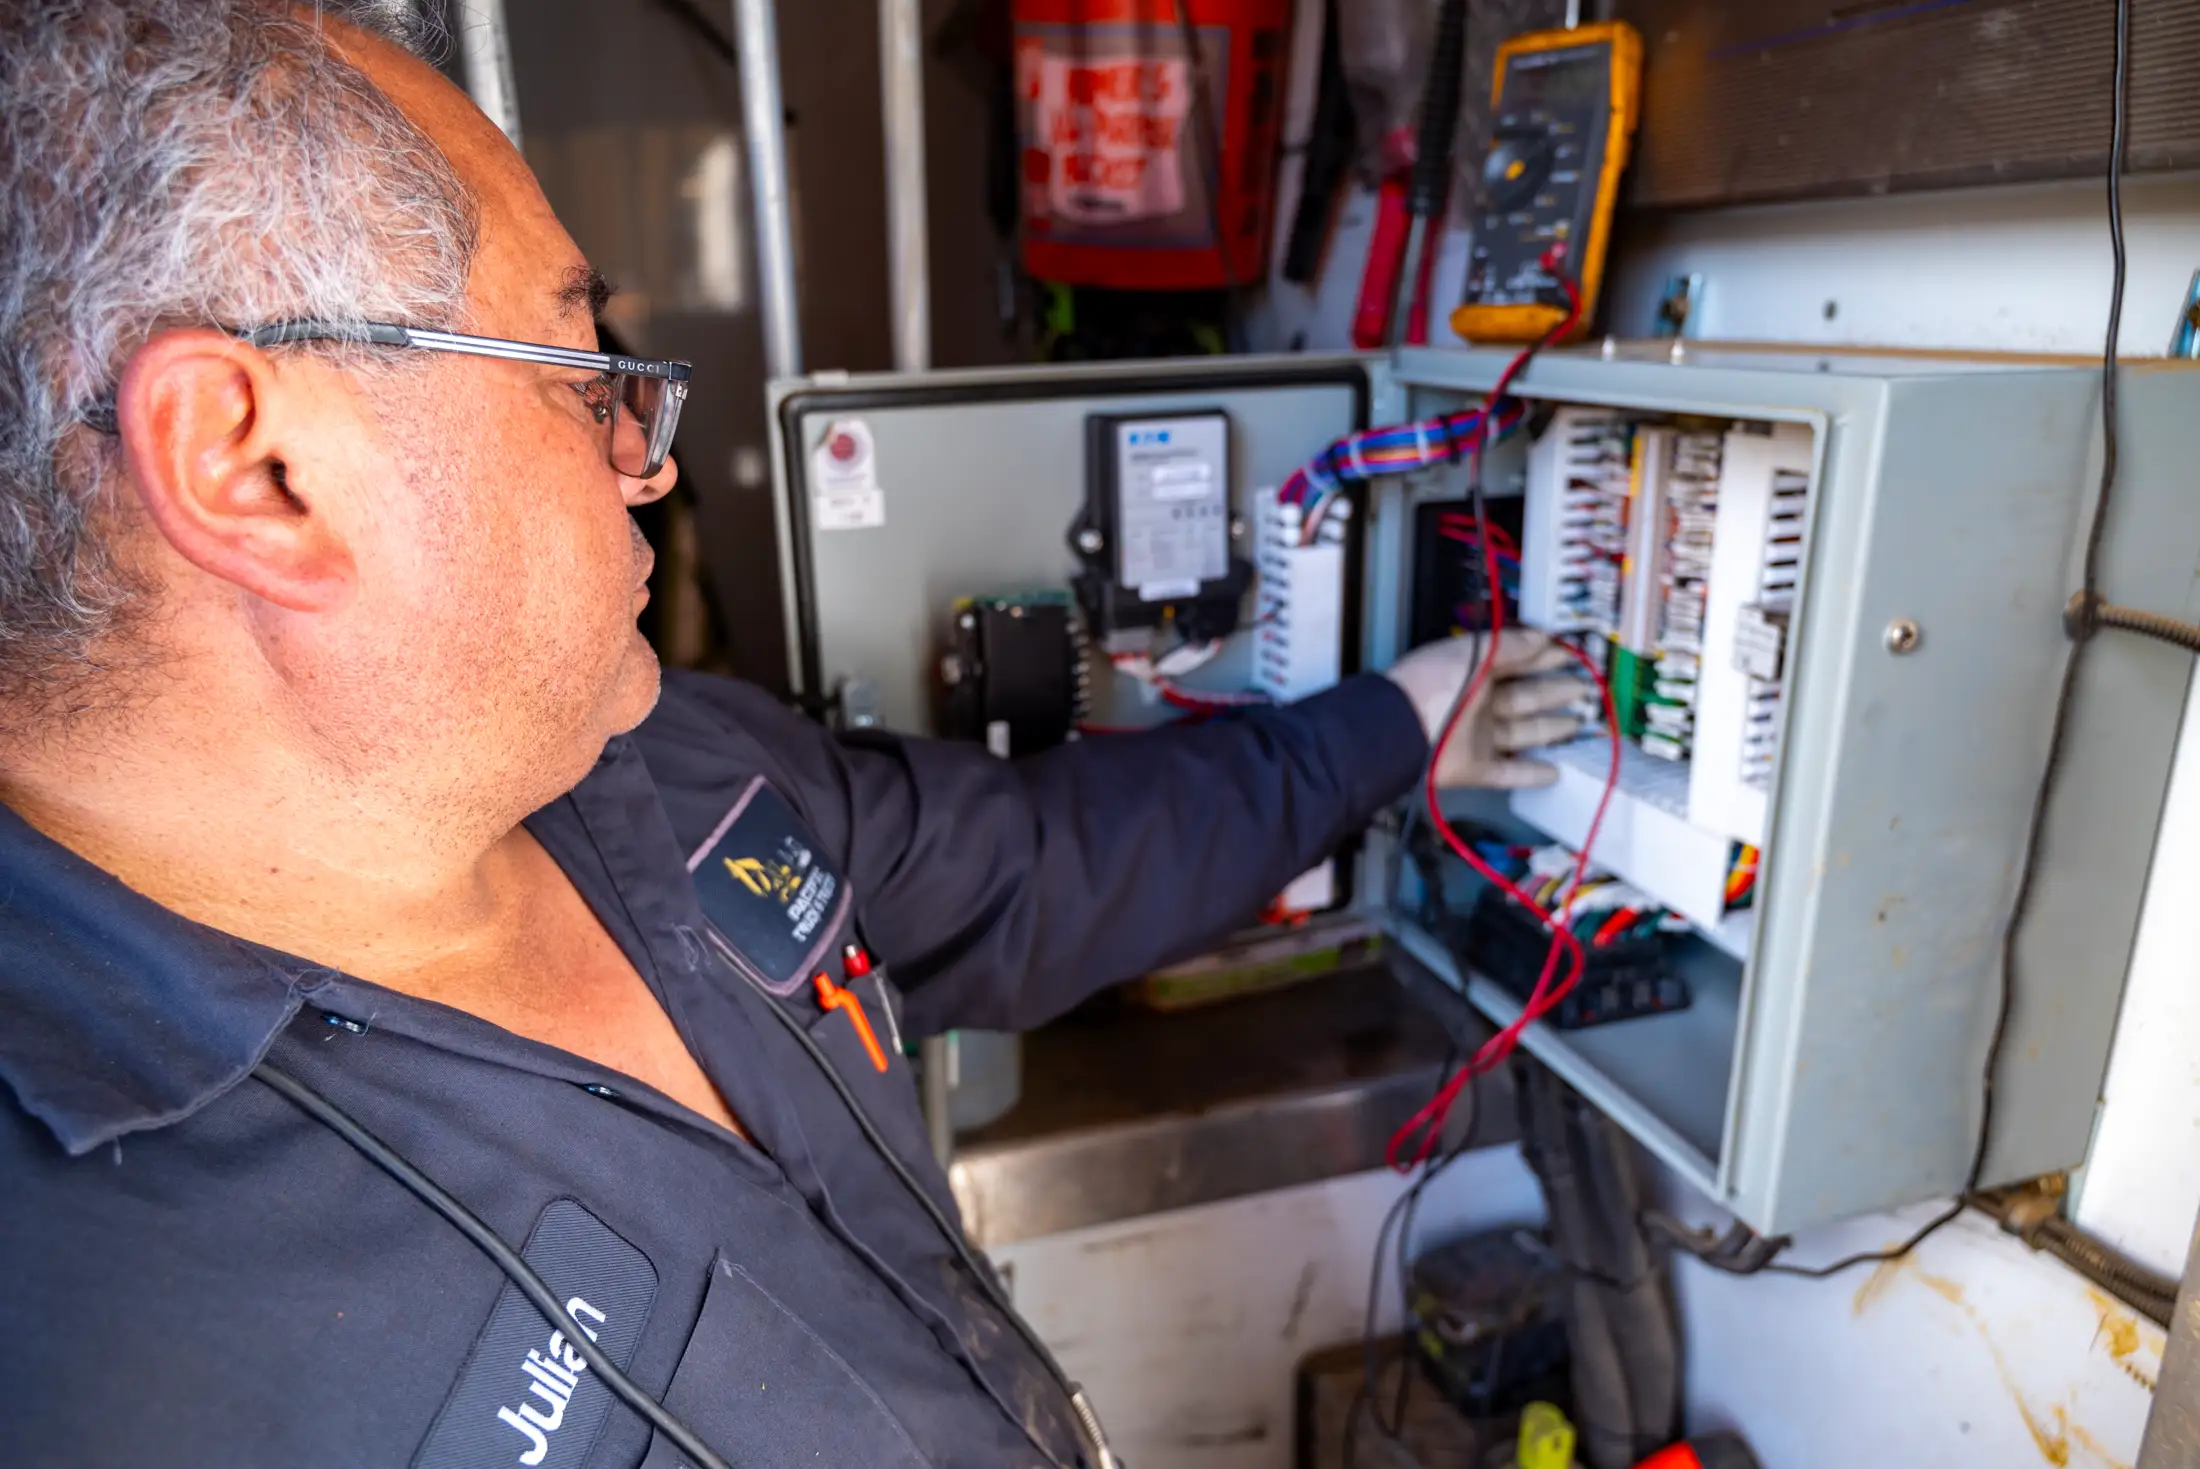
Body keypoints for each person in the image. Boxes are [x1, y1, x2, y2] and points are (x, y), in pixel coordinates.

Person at [0, 6, 1587, 1467]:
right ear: (253, 469)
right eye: (579, 373)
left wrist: (1400, 726)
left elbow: (1034, 868)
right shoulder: (90, 1344)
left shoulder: (654, 769)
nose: (646, 462)